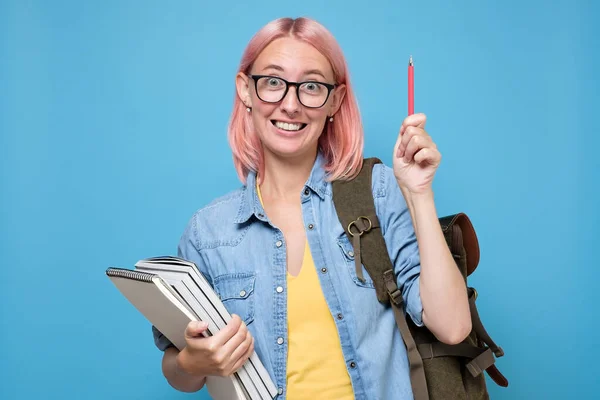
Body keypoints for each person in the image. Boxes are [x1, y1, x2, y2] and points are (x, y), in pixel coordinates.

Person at [152, 16, 471, 400]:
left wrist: (419, 193)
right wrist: (193, 363)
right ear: (246, 91)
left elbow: (452, 327)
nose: (290, 104)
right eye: (272, 82)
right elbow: (178, 369)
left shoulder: (379, 190)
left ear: (334, 100)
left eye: (311, 87)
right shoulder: (208, 232)